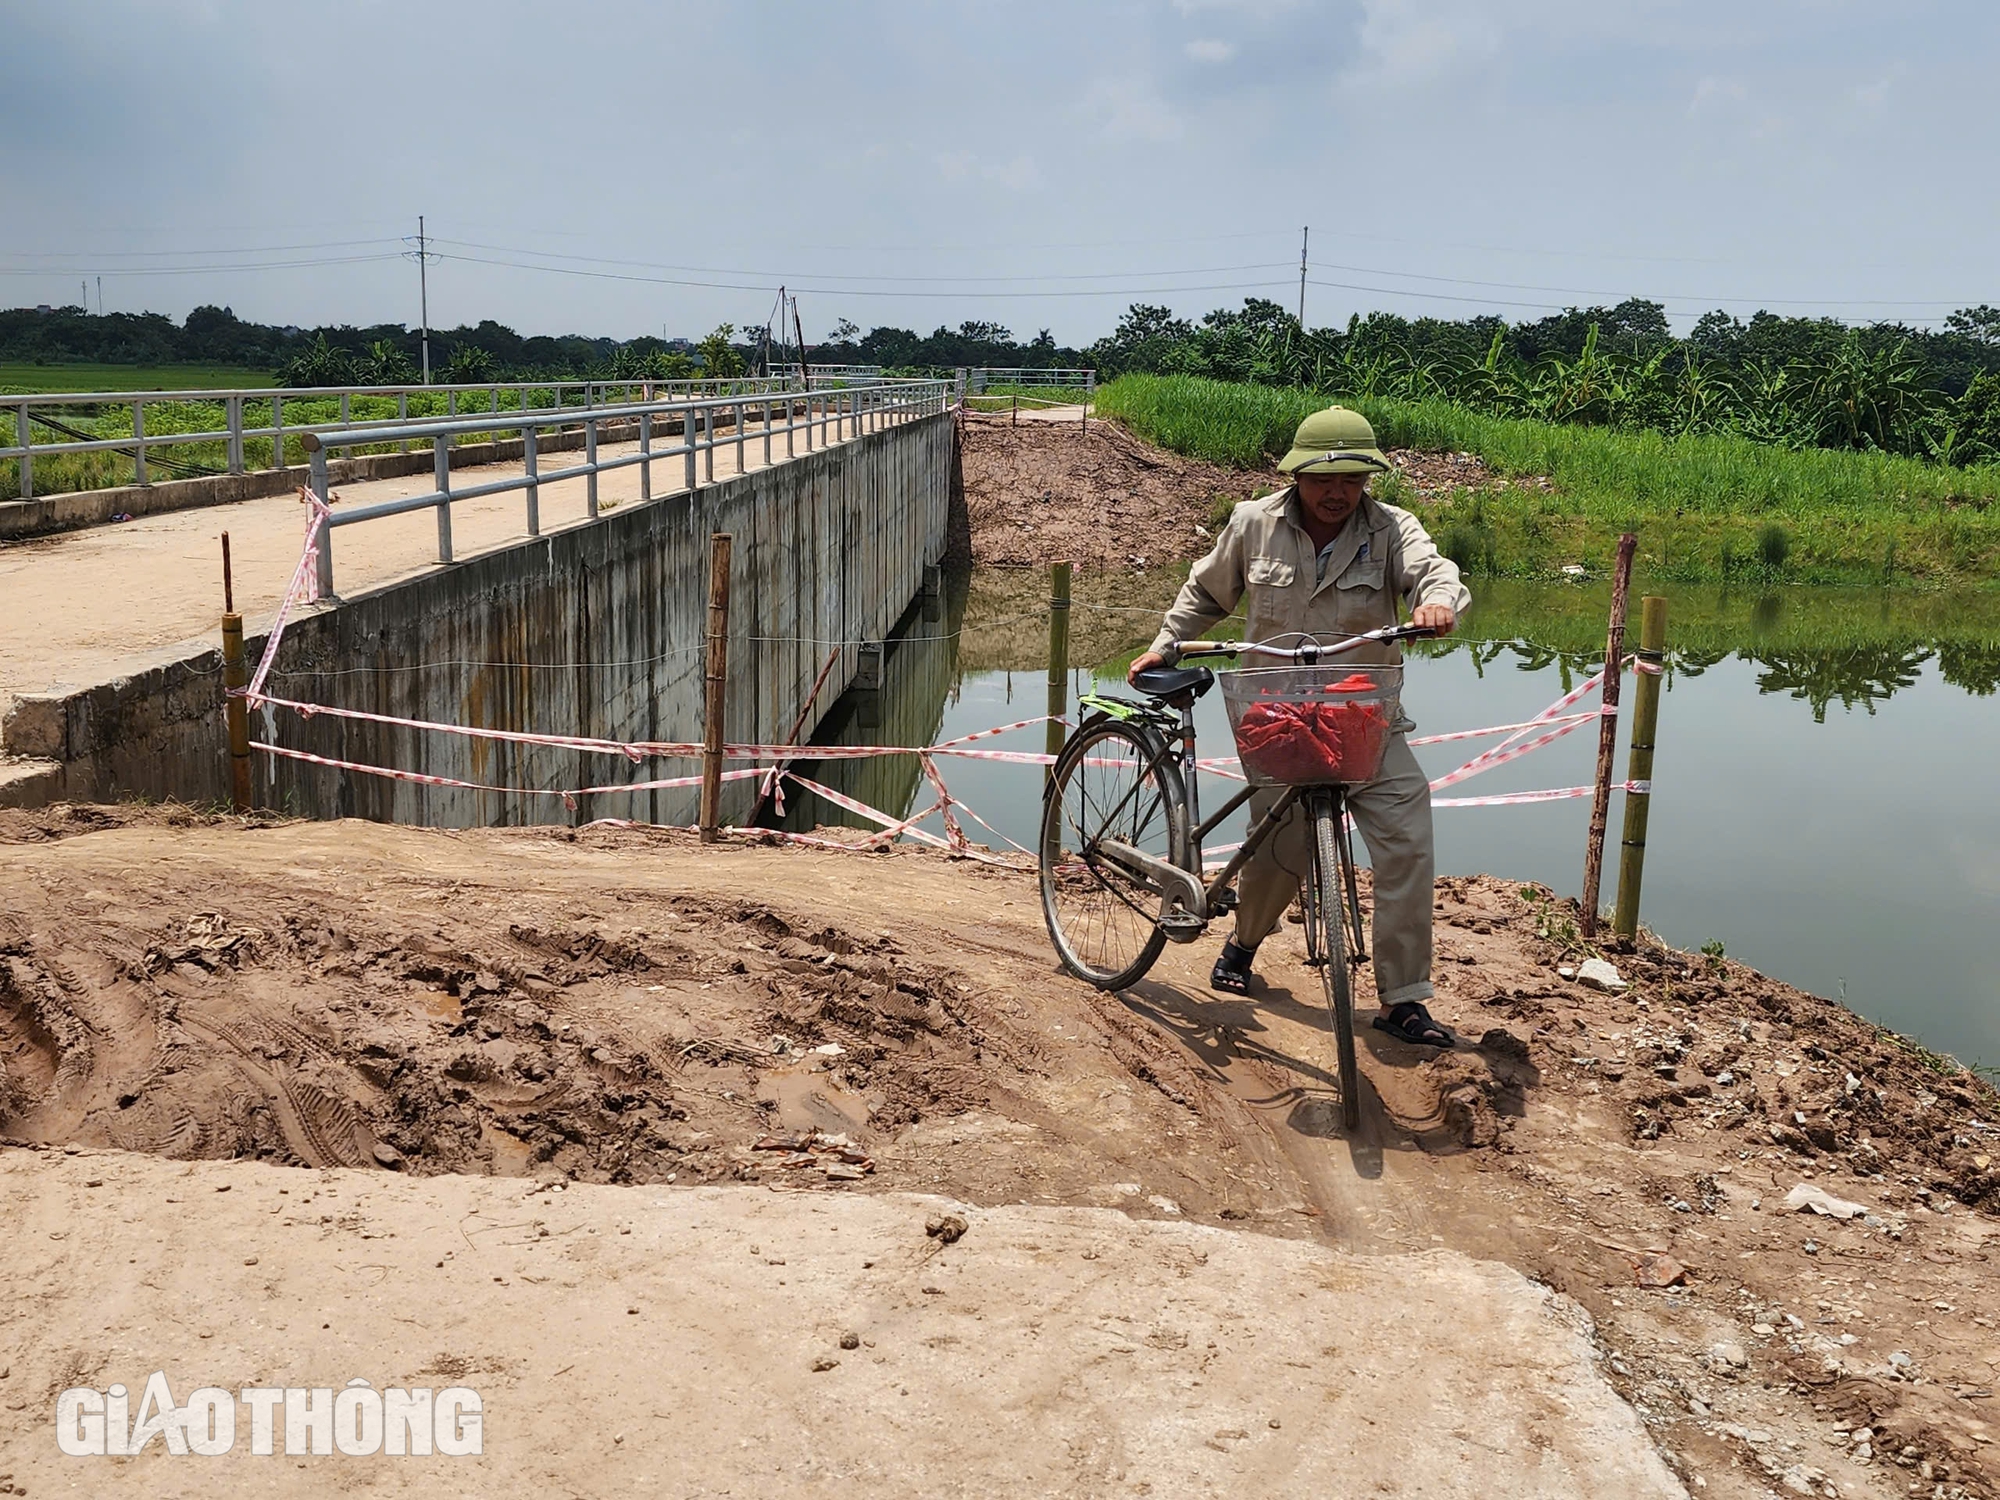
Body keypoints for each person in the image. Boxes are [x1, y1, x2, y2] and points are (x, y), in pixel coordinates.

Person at [1127, 404, 1471, 1047]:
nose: (1337, 492)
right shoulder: (1254, 524)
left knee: (1407, 845)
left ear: (1368, 479)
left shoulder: (1394, 529)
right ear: (1296, 476)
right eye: (1322, 478)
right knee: (1277, 849)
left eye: (1351, 478)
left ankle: (1403, 999)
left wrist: (1436, 602)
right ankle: (1243, 943)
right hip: (1277, 720)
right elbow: (1207, 592)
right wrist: (1167, 642)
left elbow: (1436, 571)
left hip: (1366, 721)